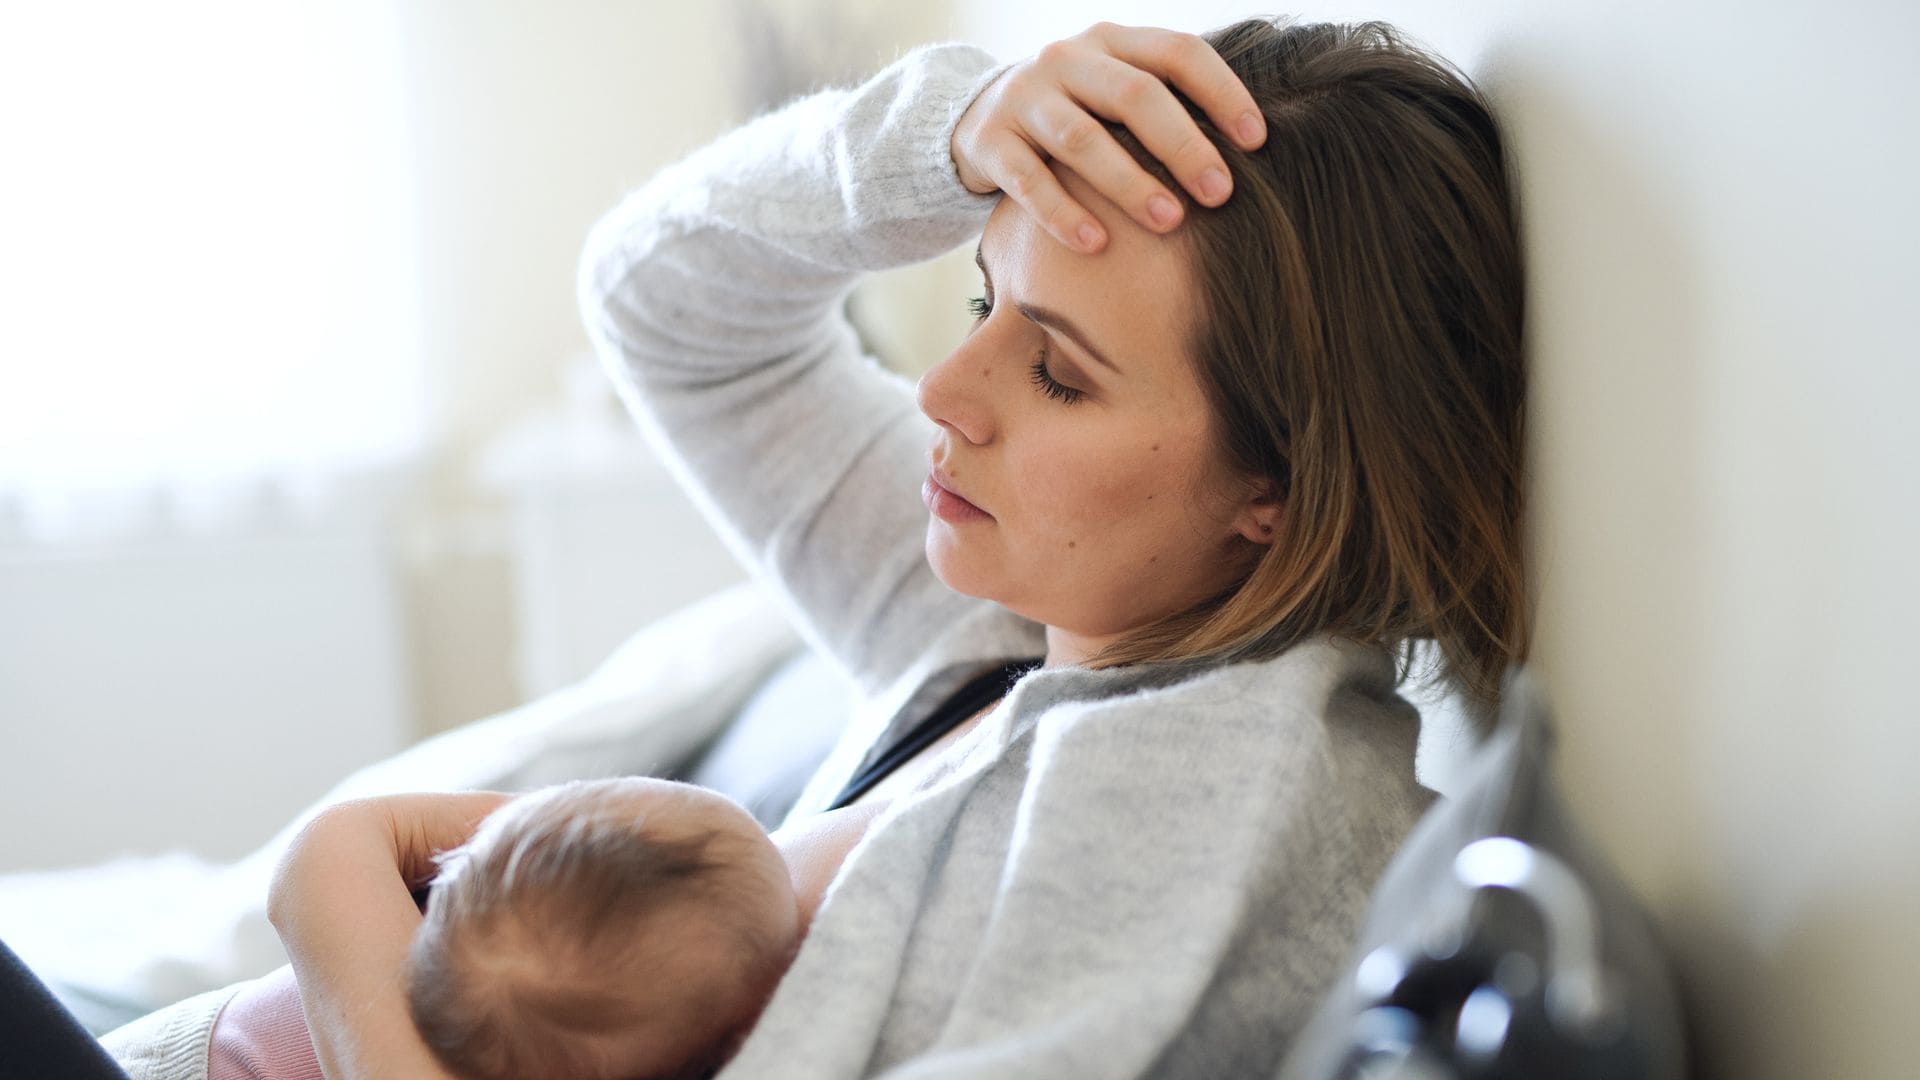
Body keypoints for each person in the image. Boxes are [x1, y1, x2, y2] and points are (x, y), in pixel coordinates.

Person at [11, 14, 1525, 1079]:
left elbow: (354, 869)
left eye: (1058, 372)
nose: (944, 389)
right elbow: (663, 307)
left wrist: (342, 912)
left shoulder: (1218, 799)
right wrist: (948, 136)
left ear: (1280, 488)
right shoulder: (1009, 634)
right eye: (984, 299)